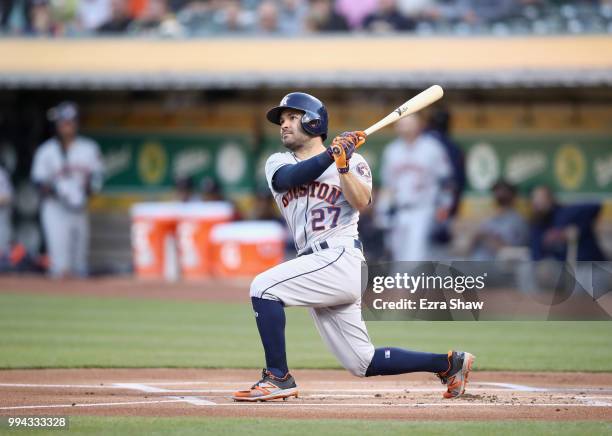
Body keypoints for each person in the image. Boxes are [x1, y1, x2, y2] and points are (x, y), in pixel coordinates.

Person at [232, 92, 474, 402]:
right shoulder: (278, 162)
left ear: (313, 121)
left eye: (292, 117)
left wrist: (343, 166)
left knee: (264, 287)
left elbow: (362, 202)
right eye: (282, 120)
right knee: (362, 362)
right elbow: (288, 180)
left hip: (340, 257)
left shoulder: (353, 161)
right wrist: (332, 154)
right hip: (315, 264)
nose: (284, 125)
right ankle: (449, 363)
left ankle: (277, 377)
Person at [31, 102, 105, 278]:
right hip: (55, 207)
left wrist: (86, 192)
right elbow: (38, 181)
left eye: (71, 121)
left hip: (79, 206)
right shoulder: (46, 150)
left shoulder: (88, 148)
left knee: (79, 260)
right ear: (57, 125)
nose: (67, 125)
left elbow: (98, 177)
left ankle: (78, 298)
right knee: (60, 262)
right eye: (63, 122)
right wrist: (58, 192)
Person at [379, 114, 452, 261]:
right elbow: (388, 185)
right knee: (397, 253)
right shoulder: (392, 150)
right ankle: (403, 283)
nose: (404, 128)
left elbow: (446, 180)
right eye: (402, 125)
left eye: (408, 124)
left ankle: (413, 283)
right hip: (399, 210)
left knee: (416, 255)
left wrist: (444, 205)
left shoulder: (432, 148)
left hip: (424, 208)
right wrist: (383, 209)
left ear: (419, 126)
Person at [530, 185, 606, 262]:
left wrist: (565, 232)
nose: (537, 203)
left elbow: (595, 205)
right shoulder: (537, 226)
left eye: (541, 199)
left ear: (550, 199)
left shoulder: (565, 213)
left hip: (591, 264)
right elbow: (536, 256)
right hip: (563, 268)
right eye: (535, 199)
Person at [471, 180, 528, 261]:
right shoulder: (488, 217)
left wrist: (486, 237)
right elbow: (469, 245)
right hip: (476, 263)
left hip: (499, 268)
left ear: (512, 195)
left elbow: (512, 252)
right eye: (497, 190)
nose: (499, 193)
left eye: (503, 190)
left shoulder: (518, 221)